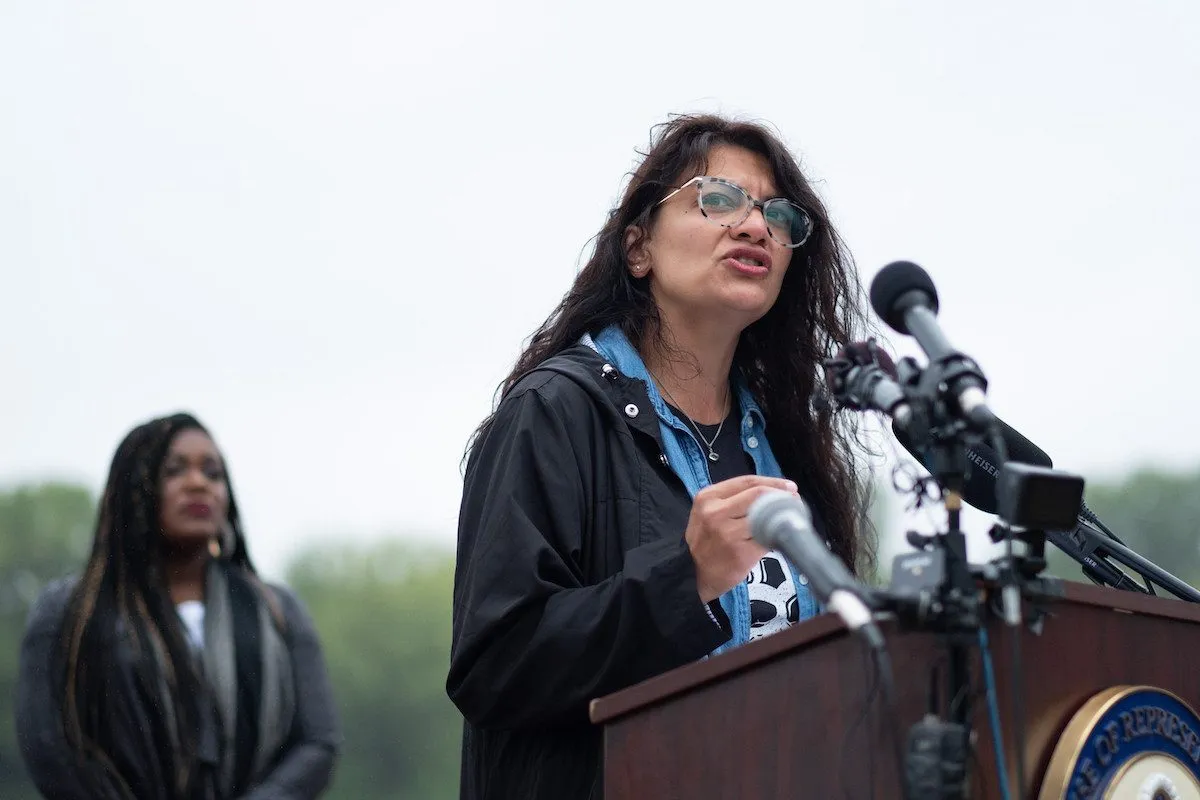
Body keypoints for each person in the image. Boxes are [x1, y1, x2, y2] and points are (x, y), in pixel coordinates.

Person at [447, 114, 873, 799]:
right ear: (638, 247)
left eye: (777, 214)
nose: (755, 226)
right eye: (720, 199)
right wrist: (687, 579)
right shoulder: (554, 411)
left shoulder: (788, 446)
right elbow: (494, 666)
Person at [16, 412, 341, 799]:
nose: (198, 483)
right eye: (174, 471)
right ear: (134, 488)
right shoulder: (71, 611)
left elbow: (318, 742)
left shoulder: (276, 611)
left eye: (213, 473)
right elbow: (50, 743)